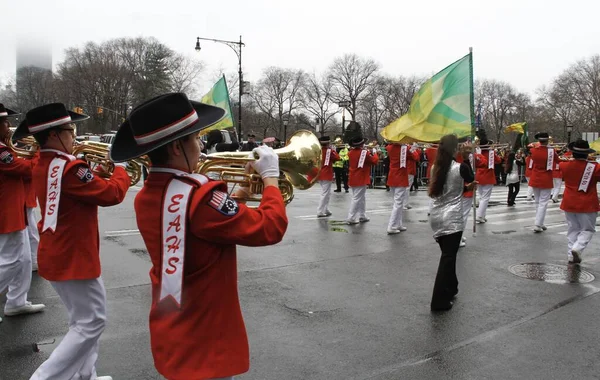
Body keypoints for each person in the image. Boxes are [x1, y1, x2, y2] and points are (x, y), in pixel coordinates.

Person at [108, 93, 288, 380]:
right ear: (178, 147)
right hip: (206, 331)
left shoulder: (148, 194)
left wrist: (240, 194)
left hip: (175, 320)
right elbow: (270, 228)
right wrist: (271, 180)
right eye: (195, 138)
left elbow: (206, 229)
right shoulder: (200, 198)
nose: (201, 145)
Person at [14, 103, 130, 380]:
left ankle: (85, 374)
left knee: (83, 320)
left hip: (62, 251)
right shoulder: (69, 168)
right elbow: (111, 195)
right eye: (70, 130)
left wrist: (99, 173)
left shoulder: (49, 162)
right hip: (74, 255)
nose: (75, 136)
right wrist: (121, 169)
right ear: (54, 134)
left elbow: (81, 191)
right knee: (93, 321)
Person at [0, 104, 45, 324]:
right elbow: (26, 170)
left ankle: (16, 301)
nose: (8, 127)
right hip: (6, 212)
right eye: (5, 123)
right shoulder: (1, 152)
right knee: (11, 261)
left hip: (13, 209)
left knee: (25, 259)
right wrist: (40, 154)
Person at [428, 135, 477, 312]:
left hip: (437, 216)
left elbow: (448, 188)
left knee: (449, 255)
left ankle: (451, 287)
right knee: (448, 258)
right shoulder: (460, 167)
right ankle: (438, 301)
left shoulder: (436, 167)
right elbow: (471, 176)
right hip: (452, 217)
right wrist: (467, 158)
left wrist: (466, 188)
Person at [558, 139, 600, 264]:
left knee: (573, 229)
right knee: (588, 230)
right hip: (587, 203)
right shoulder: (595, 167)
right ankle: (577, 248)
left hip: (569, 201)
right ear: (587, 153)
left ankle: (571, 254)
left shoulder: (564, 165)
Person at [528, 132, 559, 232]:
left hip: (535, 177)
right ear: (547, 140)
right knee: (543, 203)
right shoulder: (551, 151)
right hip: (546, 178)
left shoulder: (533, 150)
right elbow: (557, 160)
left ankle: (540, 222)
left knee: (538, 202)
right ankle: (538, 224)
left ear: (539, 141)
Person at [386, 142, 419, 234]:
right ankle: (392, 226)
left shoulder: (389, 147)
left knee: (397, 203)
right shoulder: (404, 148)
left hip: (392, 176)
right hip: (400, 177)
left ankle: (398, 224)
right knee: (398, 203)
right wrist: (413, 149)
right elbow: (415, 157)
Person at [346, 136, 378, 225]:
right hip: (361, 177)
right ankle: (351, 217)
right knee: (357, 198)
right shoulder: (364, 153)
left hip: (353, 177)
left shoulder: (351, 153)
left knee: (361, 198)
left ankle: (362, 215)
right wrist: (374, 153)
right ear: (361, 144)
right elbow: (374, 161)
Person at [475, 139, 502, 223]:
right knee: (485, 198)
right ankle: (479, 216)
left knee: (481, 197)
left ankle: (482, 215)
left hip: (479, 176)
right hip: (488, 176)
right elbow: (499, 161)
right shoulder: (491, 153)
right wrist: (493, 150)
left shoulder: (477, 153)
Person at [317, 136, 340, 217]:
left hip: (319, 173)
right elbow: (337, 157)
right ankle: (320, 211)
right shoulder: (329, 151)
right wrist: (333, 149)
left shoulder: (318, 150)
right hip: (326, 173)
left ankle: (325, 209)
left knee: (327, 193)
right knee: (325, 193)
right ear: (327, 143)